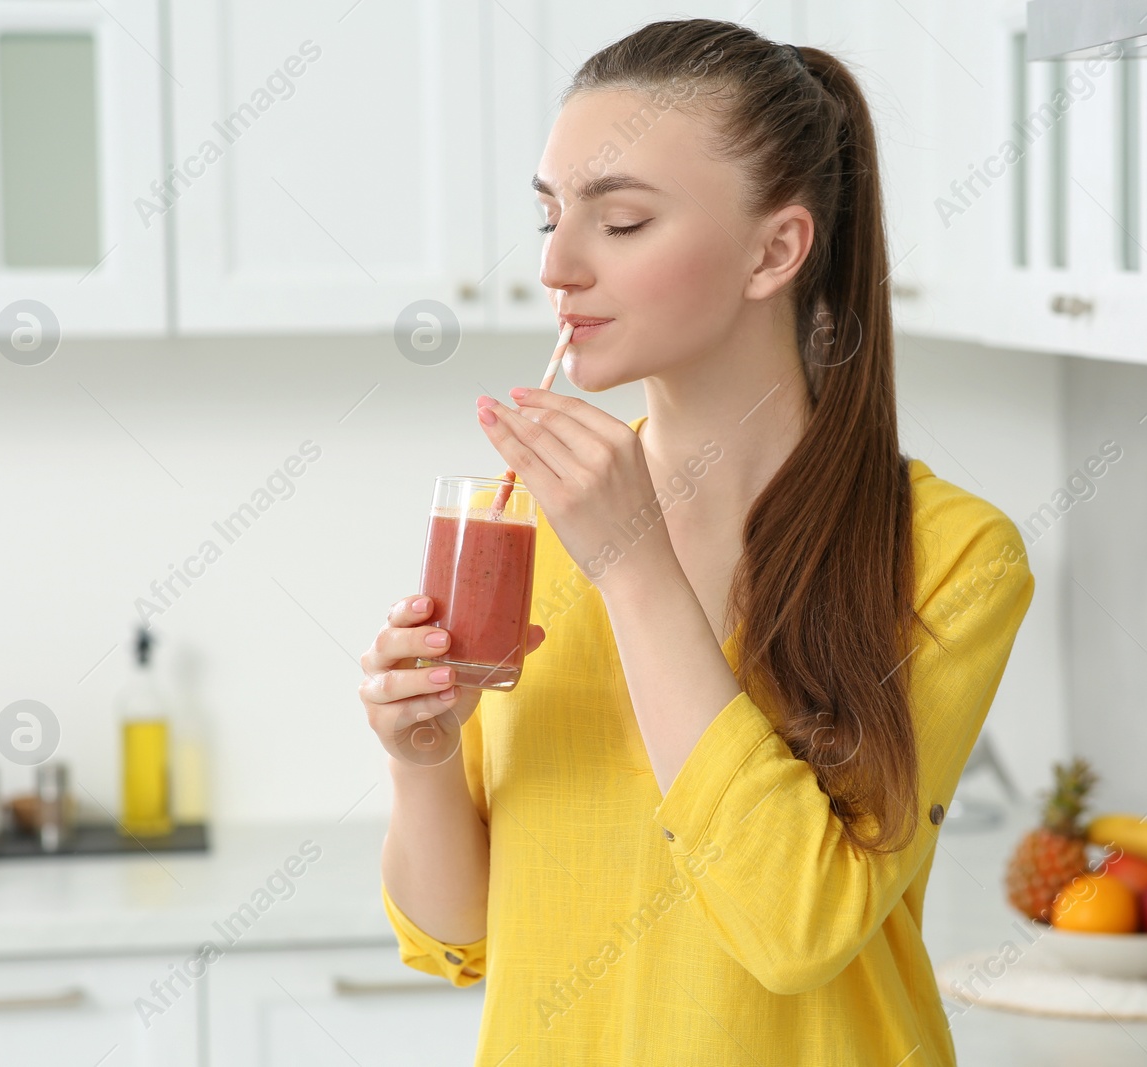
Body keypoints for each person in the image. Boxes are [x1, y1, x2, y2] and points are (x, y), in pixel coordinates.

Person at [360, 18, 1034, 1066]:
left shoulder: (954, 556)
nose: (556, 265)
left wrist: (632, 564)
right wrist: (423, 759)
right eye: (548, 217)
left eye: (620, 222)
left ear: (776, 250)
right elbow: (463, 935)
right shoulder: (522, 520)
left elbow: (798, 928)